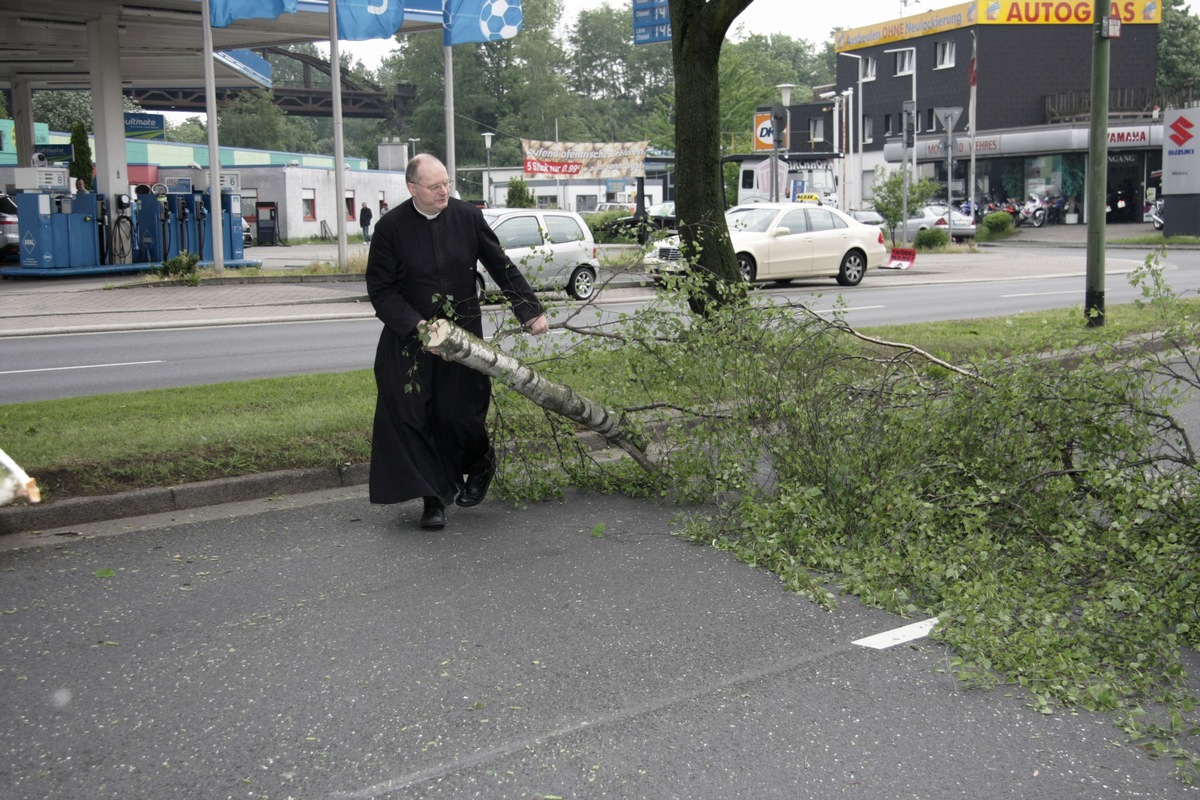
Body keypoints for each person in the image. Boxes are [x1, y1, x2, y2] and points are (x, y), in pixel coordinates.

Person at [365, 154, 550, 530]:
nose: (444, 191)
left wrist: (529, 310)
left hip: (464, 338)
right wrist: (418, 329)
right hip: (410, 340)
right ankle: (433, 499)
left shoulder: (467, 217)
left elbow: (500, 265)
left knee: (460, 414)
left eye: (447, 183)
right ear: (412, 188)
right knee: (414, 417)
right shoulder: (390, 229)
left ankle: (481, 462)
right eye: (434, 187)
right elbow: (380, 290)